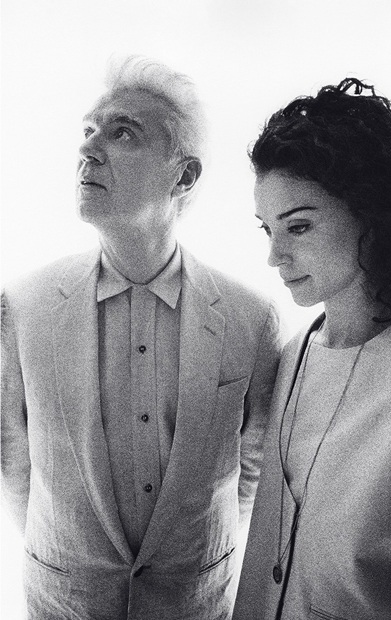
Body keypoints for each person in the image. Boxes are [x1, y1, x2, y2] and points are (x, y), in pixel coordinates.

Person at [1, 56, 283, 620]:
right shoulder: (21, 305)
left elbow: (252, 465)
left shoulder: (251, 318)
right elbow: (12, 449)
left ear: (184, 176)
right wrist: (68, 551)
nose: (88, 148)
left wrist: (193, 552)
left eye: (122, 132)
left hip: (195, 601)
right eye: (88, 129)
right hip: (64, 600)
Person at [233, 77, 391, 620]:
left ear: (370, 215)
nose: (275, 256)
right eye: (267, 230)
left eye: (299, 226)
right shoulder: (290, 355)